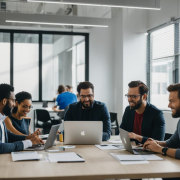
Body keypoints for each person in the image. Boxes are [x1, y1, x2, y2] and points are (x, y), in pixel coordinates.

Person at [0, 83, 44, 154]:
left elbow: (8, 135)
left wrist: (28, 138)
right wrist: (29, 142)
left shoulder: (1, 119)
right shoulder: (6, 119)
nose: (14, 104)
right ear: (4, 101)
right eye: (13, 101)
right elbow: (0, 147)